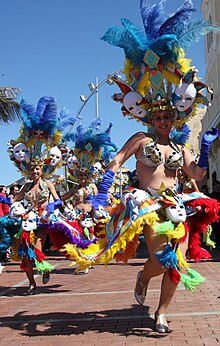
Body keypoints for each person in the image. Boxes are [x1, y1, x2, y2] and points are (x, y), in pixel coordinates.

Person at [62, 0, 220, 333]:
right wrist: (103, 193)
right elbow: (117, 161)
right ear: (150, 116)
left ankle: (161, 313)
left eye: (168, 116)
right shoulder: (140, 139)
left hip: (175, 206)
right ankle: (143, 276)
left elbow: (198, 175)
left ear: (175, 118)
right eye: (158, 116)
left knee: (177, 263)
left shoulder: (178, 146)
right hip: (146, 204)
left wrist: (204, 148)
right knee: (161, 259)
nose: (163, 120)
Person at [13, 163, 61, 294]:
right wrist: (7, 202)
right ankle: (32, 284)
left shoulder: (48, 184)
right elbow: (15, 199)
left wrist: (53, 206)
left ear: (42, 170)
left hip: (41, 221)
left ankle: (45, 269)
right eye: (32, 169)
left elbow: (58, 200)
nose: (35, 171)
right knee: (26, 254)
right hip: (27, 220)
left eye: (37, 169)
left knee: (37, 249)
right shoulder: (26, 186)